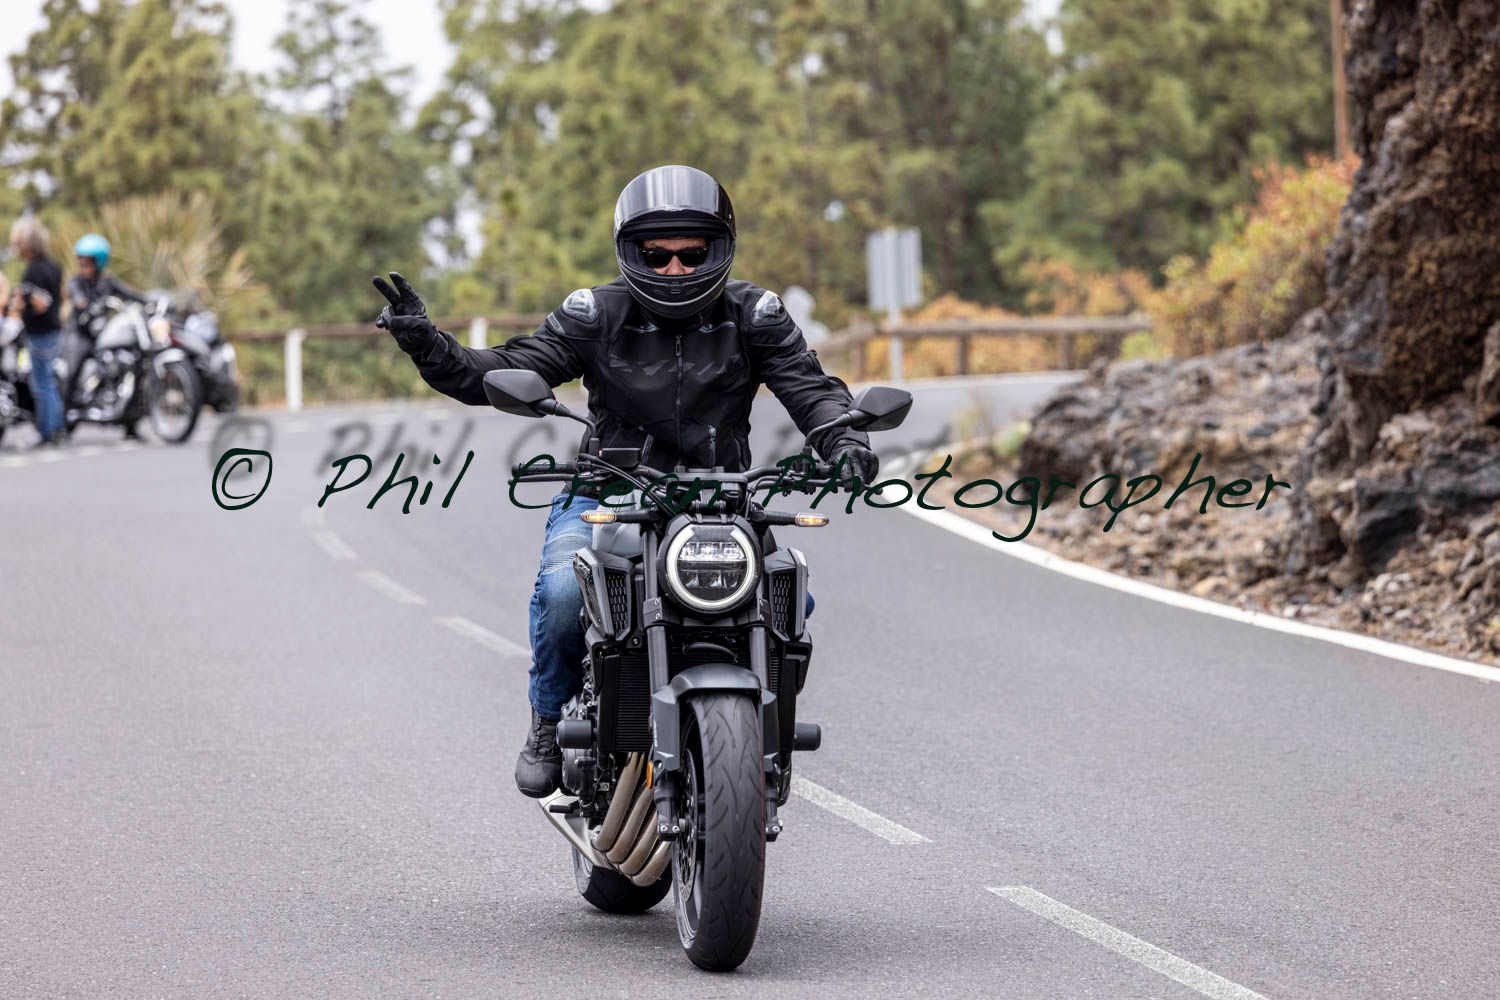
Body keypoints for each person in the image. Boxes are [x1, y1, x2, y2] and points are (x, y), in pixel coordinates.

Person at [375, 163, 880, 797]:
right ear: (630, 252)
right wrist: (429, 344)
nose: (675, 269)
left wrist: (845, 440)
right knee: (564, 594)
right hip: (608, 490)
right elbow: (501, 370)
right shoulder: (594, 314)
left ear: (719, 249)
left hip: (719, 497)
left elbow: (814, 391)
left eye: (692, 253)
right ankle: (549, 717)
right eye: (656, 254)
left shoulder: (756, 315)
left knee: (789, 600)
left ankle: (761, 737)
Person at [7, 216, 65, 447]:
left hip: (40, 333)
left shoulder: (33, 272)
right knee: (49, 381)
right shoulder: (54, 266)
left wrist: (22, 306)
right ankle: (57, 427)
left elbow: (39, 304)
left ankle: (47, 430)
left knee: (42, 383)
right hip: (53, 330)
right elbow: (59, 297)